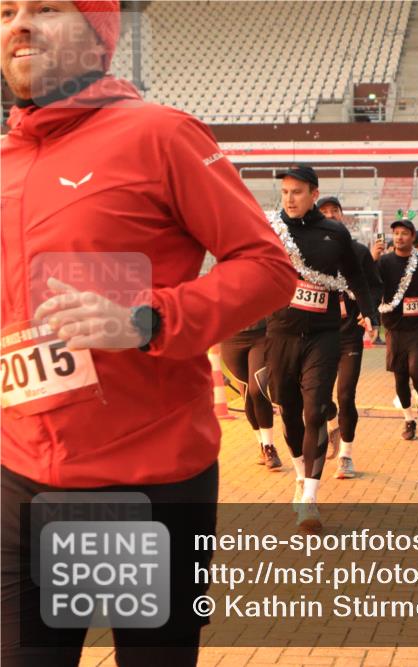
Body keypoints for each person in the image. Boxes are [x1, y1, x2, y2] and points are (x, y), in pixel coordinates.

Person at [0, 2, 297, 665]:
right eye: (4, 10)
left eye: (45, 7)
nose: (18, 23)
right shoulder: (4, 161)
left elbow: (268, 268)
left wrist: (146, 319)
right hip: (20, 477)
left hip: (148, 480)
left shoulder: (160, 135)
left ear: (99, 30)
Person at [266, 165, 374, 532]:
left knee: (315, 410)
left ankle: (310, 498)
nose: (290, 199)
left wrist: (369, 313)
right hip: (281, 333)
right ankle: (300, 474)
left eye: (297, 192)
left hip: (325, 334)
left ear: (314, 193)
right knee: (290, 412)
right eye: (284, 192)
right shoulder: (271, 231)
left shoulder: (334, 232)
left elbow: (356, 276)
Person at [316, 195, 382, 480]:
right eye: (325, 211)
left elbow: (375, 287)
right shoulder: (310, 251)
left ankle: (346, 455)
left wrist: (368, 312)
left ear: (343, 216)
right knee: (317, 396)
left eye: (335, 211)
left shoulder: (357, 251)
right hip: (319, 335)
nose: (330, 215)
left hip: (349, 336)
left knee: (346, 395)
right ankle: (333, 424)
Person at [377, 212, 418, 441]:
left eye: (404, 233)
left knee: (417, 372)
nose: (399, 237)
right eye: (395, 233)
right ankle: (408, 419)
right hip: (395, 329)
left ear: (412, 237)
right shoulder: (384, 263)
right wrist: (372, 259)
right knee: (400, 377)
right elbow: (371, 286)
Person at [220, 319, 281, 469]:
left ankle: (269, 447)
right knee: (247, 394)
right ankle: (262, 444)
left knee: (257, 389)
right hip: (230, 339)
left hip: (261, 335)